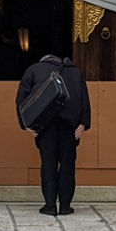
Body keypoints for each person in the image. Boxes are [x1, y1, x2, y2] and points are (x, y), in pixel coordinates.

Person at [17, 51, 92, 216]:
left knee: (48, 163)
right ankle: (65, 205)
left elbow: (21, 98)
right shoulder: (75, 71)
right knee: (67, 164)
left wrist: (25, 124)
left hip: (45, 125)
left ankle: (49, 205)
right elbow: (85, 99)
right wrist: (84, 123)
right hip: (70, 125)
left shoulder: (33, 70)